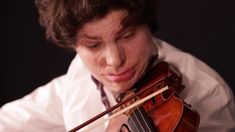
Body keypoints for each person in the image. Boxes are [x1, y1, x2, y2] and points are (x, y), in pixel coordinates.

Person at [1, 0, 235, 131]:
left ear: (147, 24)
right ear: (74, 46)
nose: (114, 61)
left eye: (127, 35)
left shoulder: (208, 93)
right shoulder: (80, 77)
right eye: (93, 46)